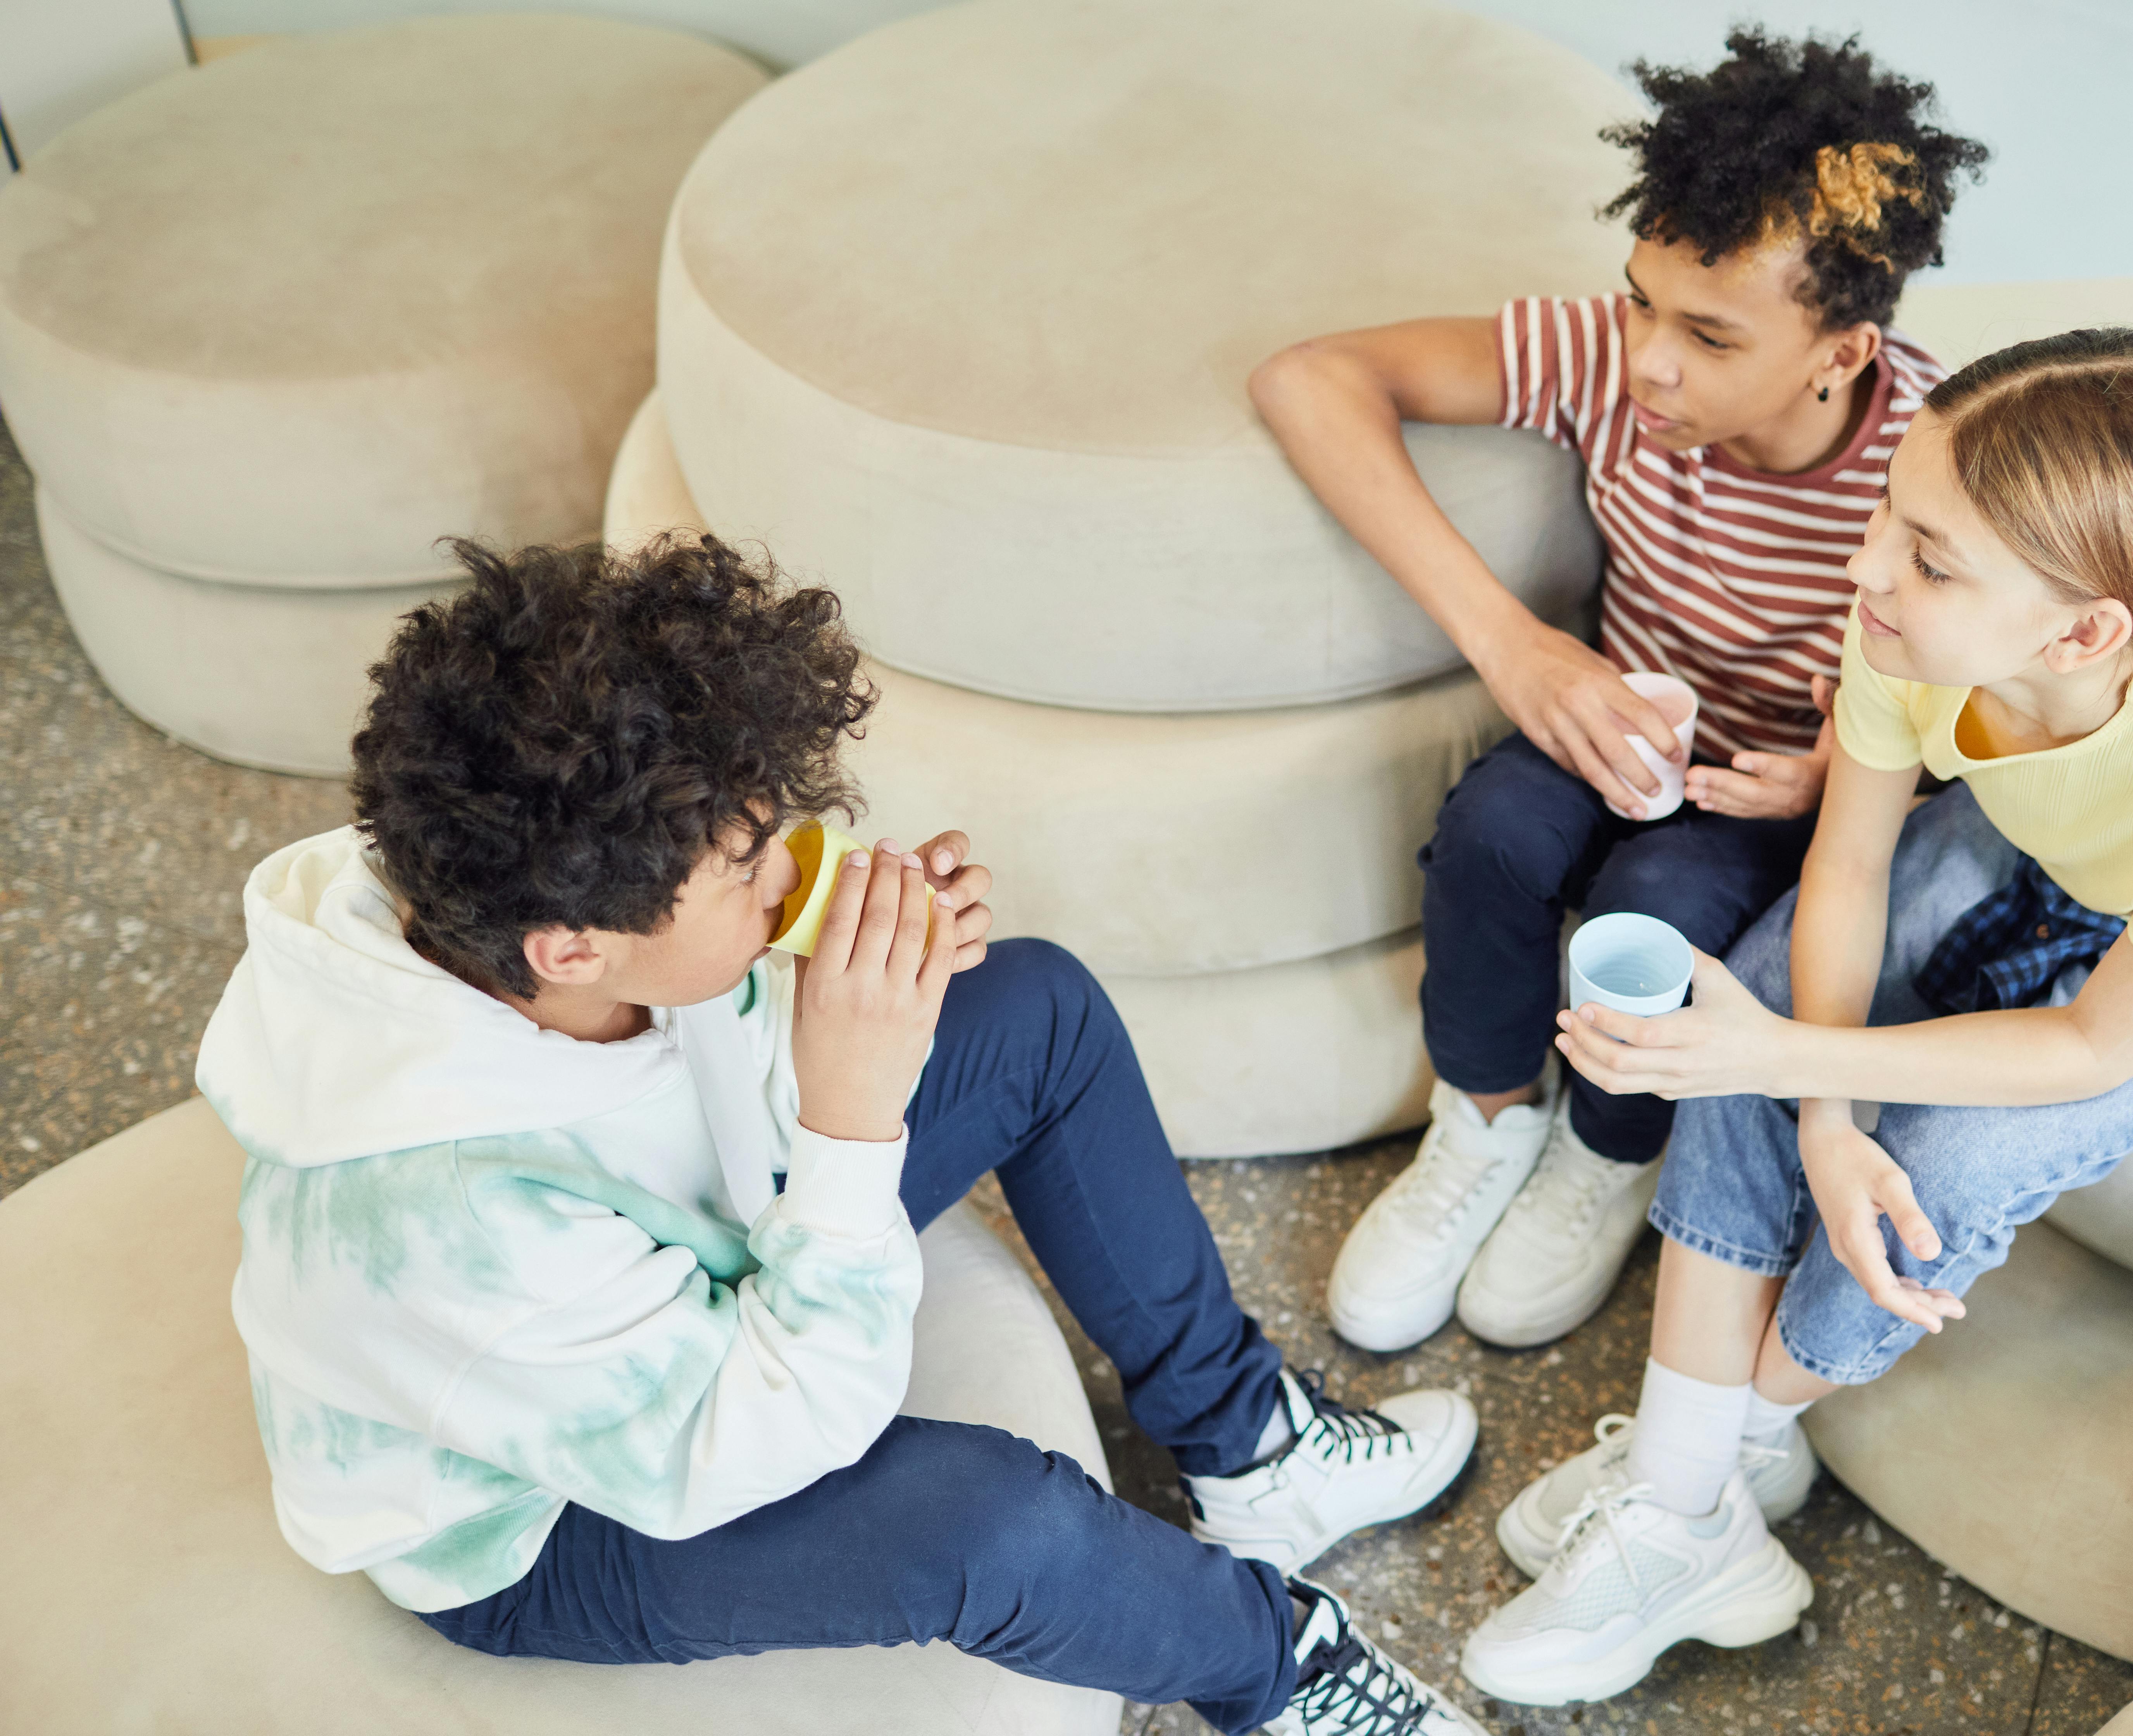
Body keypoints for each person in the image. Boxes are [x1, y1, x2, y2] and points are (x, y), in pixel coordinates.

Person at [200, 536, 1493, 1736]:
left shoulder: (519, 885)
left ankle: (1253, 1446)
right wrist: (855, 1104)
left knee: (1034, 1006)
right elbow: (769, 1430)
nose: (798, 866)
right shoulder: (437, 1223)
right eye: (755, 862)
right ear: (577, 950)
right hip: (550, 1513)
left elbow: (699, 1080)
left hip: (693, 1262)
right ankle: (1281, 1673)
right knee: (995, 1525)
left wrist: (866, 988)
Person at [1452, 329, 2133, 1707]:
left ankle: (1712, 1460)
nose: (1866, 567)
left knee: (1952, 1167)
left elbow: (2092, 1049)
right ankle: (1683, 1494)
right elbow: (1842, 868)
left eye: (1929, 555)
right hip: (2071, 836)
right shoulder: (1914, 616)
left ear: (2081, 631)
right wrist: (1819, 1114)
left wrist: (1780, 1063)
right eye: (1893, 510)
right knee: (1758, 990)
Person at [1250, 28, 1988, 1360]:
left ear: (1840, 351)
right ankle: (1480, 1119)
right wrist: (1514, 645)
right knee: (1488, 834)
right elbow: (1307, 379)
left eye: (1708, 334)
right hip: (1615, 709)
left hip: (1790, 782)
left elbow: (1984, 680)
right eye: (1641, 299)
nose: (1648, 360)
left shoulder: (1932, 459)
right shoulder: (1605, 358)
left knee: (1665, 912)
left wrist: (1847, 769)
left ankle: (1606, 1152)